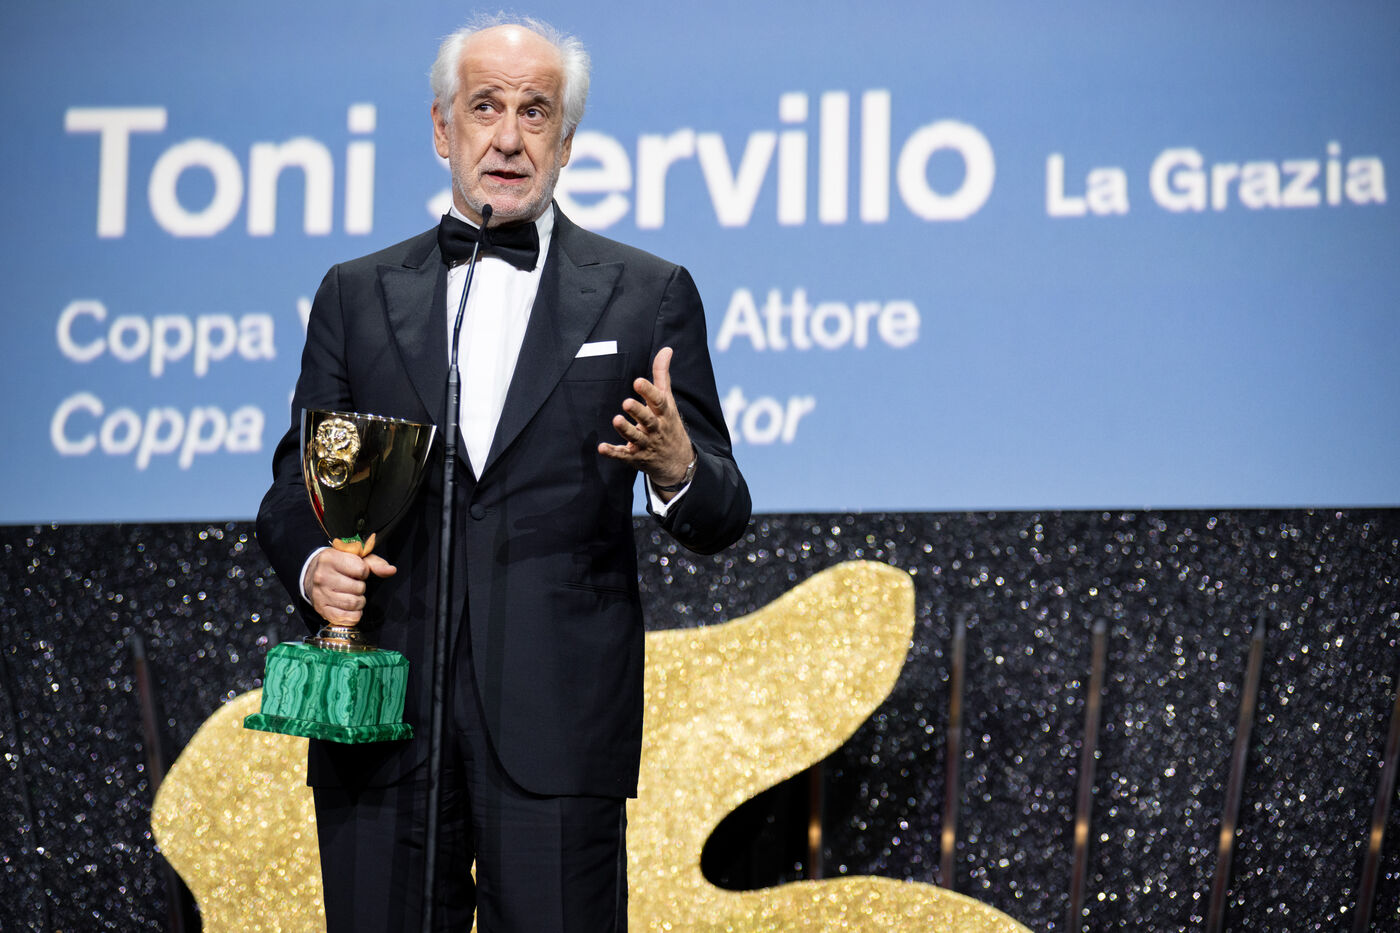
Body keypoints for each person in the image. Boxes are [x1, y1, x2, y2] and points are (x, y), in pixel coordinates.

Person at [255, 15, 750, 932]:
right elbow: (294, 488)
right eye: (485, 107)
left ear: (567, 140)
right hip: (380, 715)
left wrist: (679, 465)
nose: (509, 138)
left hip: (559, 730)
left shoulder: (645, 293)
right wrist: (314, 566)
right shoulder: (355, 294)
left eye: (535, 112)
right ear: (443, 129)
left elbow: (724, 508)